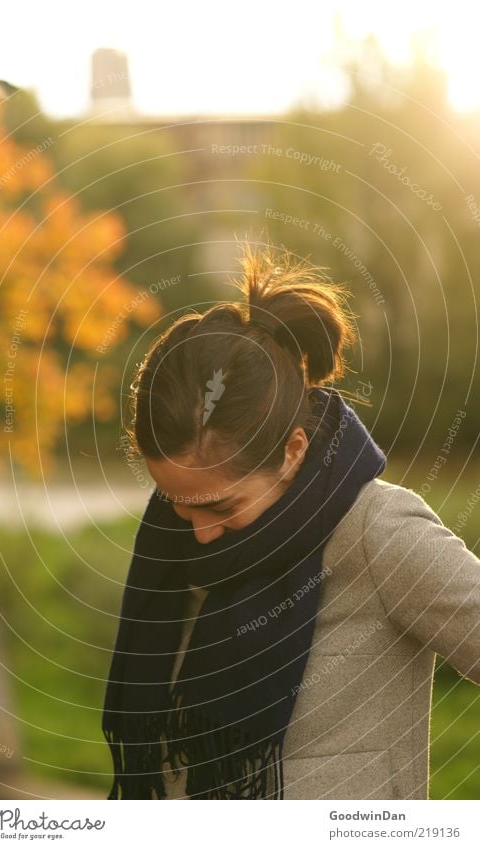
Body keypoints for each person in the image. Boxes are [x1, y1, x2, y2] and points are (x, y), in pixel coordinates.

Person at [102, 240, 480, 800]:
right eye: (177, 504)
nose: (198, 534)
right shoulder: (172, 540)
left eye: (221, 507)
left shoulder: (378, 530)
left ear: (295, 449)